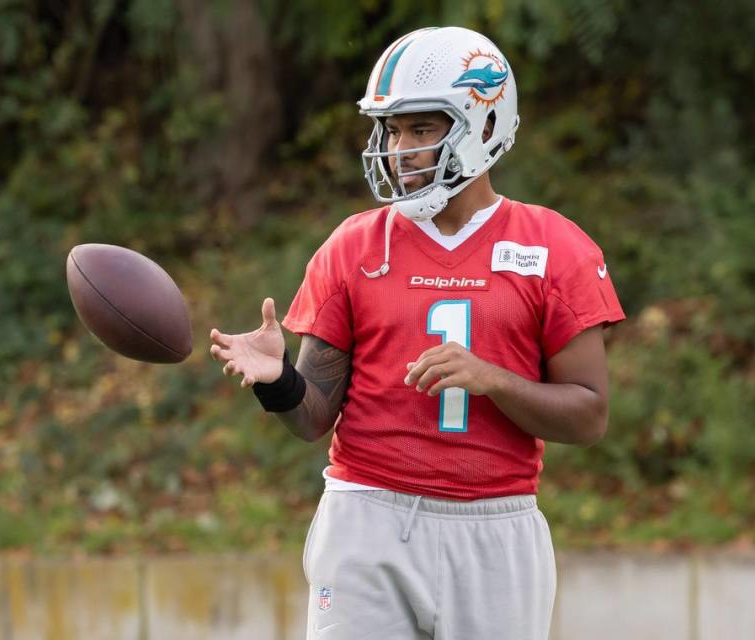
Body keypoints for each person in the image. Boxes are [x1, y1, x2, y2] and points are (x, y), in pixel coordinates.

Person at [209, 26, 625, 640]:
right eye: (392, 130)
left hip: (495, 523)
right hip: (366, 513)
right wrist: (279, 383)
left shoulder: (552, 246)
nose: (400, 149)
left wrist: (494, 381)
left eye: (422, 129)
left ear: (484, 127)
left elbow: (589, 418)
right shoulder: (354, 244)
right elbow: (312, 419)